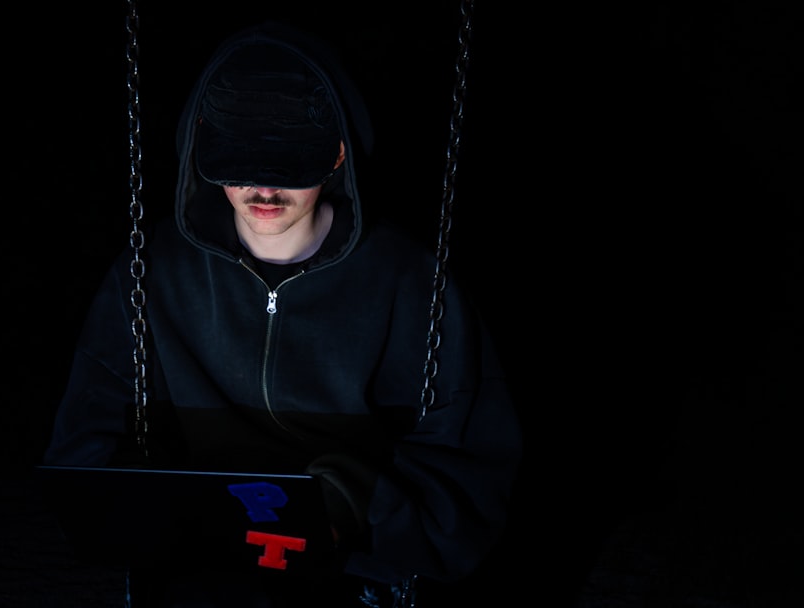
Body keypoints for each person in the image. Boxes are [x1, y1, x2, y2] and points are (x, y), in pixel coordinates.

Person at [44, 20, 522, 607]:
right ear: (203, 150)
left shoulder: (412, 282)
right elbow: (86, 443)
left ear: (338, 154)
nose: (264, 191)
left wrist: (355, 501)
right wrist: (153, 506)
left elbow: (471, 469)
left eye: (288, 167)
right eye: (241, 165)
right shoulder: (150, 273)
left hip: (357, 572)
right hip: (200, 571)